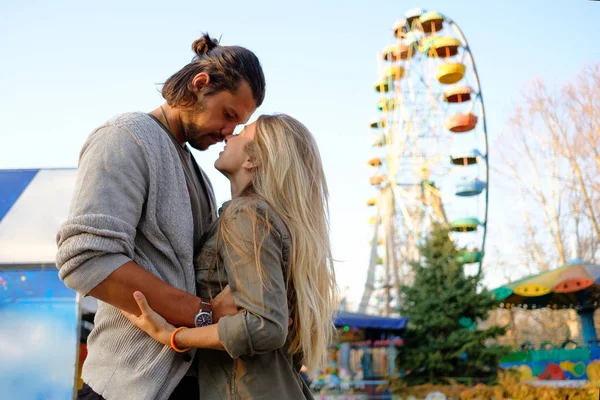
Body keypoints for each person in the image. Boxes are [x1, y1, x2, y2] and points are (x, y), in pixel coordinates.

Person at [55, 33, 266, 400]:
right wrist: (206, 315)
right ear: (201, 85)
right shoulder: (126, 137)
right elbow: (85, 259)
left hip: (186, 381)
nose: (229, 131)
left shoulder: (198, 174)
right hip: (126, 385)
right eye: (229, 114)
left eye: (238, 123)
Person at [122, 114, 338, 399]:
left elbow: (265, 326)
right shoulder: (272, 220)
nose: (229, 135)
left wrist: (173, 336)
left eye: (243, 133)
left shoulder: (245, 215)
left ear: (253, 160)